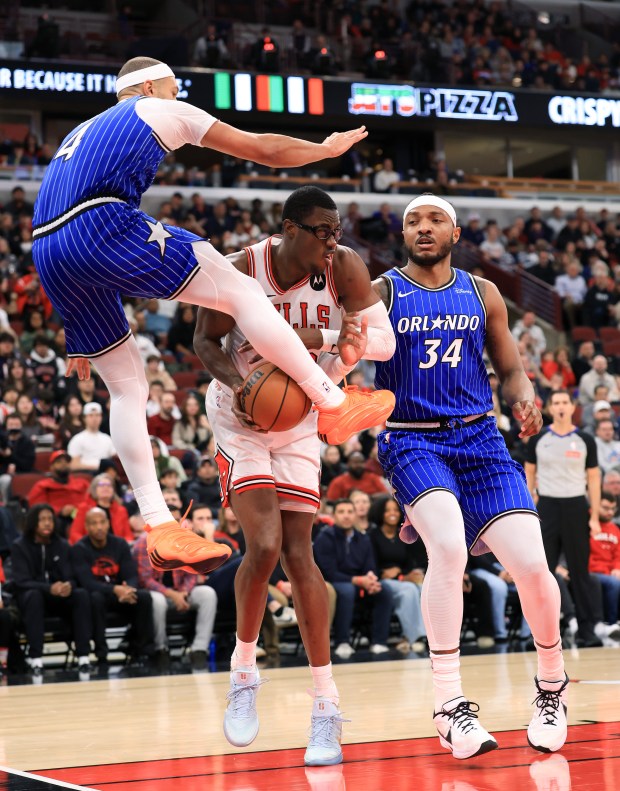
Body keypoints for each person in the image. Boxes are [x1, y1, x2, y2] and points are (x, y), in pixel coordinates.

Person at [31, 55, 394, 579]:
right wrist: (323, 149)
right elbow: (262, 148)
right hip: (100, 222)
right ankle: (332, 402)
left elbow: (59, 217)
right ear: (151, 86)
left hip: (49, 249)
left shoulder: (84, 130)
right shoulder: (157, 109)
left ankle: (158, 525)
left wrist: (76, 328)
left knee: (128, 389)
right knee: (244, 291)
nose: (179, 94)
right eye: (175, 86)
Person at [192, 185, 396, 765]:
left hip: (304, 414)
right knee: (262, 545)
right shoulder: (239, 268)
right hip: (241, 414)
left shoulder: (347, 268)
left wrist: (337, 342)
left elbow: (382, 338)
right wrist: (242, 385)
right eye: (322, 232)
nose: (333, 242)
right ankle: (243, 672)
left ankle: (326, 705)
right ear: (288, 229)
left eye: (337, 231)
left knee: (301, 556)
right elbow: (204, 341)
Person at [373, 194, 567, 759]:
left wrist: (526, 398)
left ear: (455, 232)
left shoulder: (483, 293)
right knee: (449, 548)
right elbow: (346, 351)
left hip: (480, 437)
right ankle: (448, 705)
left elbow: (510, 369)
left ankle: (551, 686)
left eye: (434, 220)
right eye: (413, 221)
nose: (423, 228)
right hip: (411, 436)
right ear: (404, 234)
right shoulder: (384, 292)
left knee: (533, 567)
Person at [524, 389, 603, 647]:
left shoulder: (585, 440)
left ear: (572, 407)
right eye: (556, 402)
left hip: (576, 506)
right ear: (549, 408)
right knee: (543, 572)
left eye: (564, 402)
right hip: (547, 507)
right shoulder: (539, 440)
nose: (560, 406)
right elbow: (529, 474)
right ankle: (546, 634)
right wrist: (530, 503)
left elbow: (593, 477)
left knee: (580, 571)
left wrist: (594, 516)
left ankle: (587, 631)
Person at [11, 504, 92, 678]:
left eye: (50, 519)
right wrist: (49, 588)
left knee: (81, 595)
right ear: (33, 523)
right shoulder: (20, 546)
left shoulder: (62, 544)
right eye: (42, 520)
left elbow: (71, 575)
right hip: (32, 599)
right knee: (34, 596)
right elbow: (21, 581)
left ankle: (84, 657)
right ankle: (36, 658)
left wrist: (68, 585)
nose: (47, 523)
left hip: (58, 598)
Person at [71, 507, 154, 666]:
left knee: (143, 597)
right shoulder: (79, 549)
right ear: (87, 527)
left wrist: (128, 589)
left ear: (108, 523)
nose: (99, 527)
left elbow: (131, 574)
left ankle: (143, 651)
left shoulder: (120, 544)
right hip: (99, 595)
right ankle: (101, 654)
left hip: (121, 595)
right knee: (95, 598)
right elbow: (87, 583)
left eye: (102, 522)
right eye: (94, 523)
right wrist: (115, 590)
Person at [313, 499, 394, 658]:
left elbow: (370, 565)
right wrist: (358, 580)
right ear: (333, 515)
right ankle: (342, 641)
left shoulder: (363, 538)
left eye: (350, 512)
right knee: (347, 591)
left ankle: (379, 641)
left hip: (359, 582)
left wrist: (371, 579)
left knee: (384, 590)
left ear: (356, 515)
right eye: (341, 512)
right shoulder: (325, 537)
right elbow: (328, 572)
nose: (346, 516)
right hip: (333, 582)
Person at [368, 496, 426, 652]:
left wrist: (404, 573)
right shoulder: (372, 536)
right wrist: (388, 574)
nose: (392, 513)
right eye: (387, 510)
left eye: (395, 509)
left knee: (422, 588)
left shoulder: (404, 534)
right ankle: (417, 636)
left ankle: (410, 636)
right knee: (409, 590)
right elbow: (371, 564)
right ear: (380, 513)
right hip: (381, 580)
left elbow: (408, 562)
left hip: (401, 579)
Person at [27, 449, 90, 535]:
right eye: (59, 462)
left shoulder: (82, 483)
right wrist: (59, 511)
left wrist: (78, 509)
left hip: (83, 517)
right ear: (51, 467)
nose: (63, 464)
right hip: (57, 520)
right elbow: (37, 508)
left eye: (66, 462)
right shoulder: (42, 486)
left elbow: (91, 500)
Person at [68, 473, 133, 545]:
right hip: (90, 548)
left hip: (116, 550)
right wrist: (87, 546)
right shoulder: (84, 508)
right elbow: (75, 533)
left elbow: (128, 535)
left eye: (109, 485)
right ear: (94, 489)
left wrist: (123, 546)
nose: (106, 488)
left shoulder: (121, 510)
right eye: (101, 485)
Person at [589, 491, 620, 627]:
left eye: (613, 509)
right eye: (606, 508)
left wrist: (617, 568)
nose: (610, 512)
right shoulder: (585, 523)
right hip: (591, 572)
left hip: (610, 572)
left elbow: (618, 554)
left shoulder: (615, 529)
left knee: (614, 581)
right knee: (613, 583)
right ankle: (610, 624)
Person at [67, 402, 116, 471]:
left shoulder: (107, 439)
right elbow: (73, 465)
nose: (94, 418)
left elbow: (116, 459)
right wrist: (98, 467)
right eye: (91, 415)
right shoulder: (77, 439)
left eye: (97, 415)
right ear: (84, 418)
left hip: (105, 475)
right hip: (85, 474)